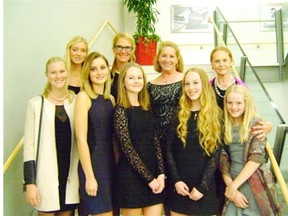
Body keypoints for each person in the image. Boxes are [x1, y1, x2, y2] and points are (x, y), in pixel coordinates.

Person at [23, 57, 79, 216]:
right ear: (47, 75)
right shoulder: (36, 104)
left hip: (70, 176)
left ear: (67, 73)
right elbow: (29, 147)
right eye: (53, 72)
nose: (58, 76)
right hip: (45, 177)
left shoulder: (76, 101)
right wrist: (30, 183)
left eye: (61, 71)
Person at [165, 67, 222, 216]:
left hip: (205, 187)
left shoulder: (215, 115)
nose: (191, 88)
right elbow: (169, 150)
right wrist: (176, 181)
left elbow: (215, 156)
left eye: (195, 83)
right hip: (179, 187)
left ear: (204, 84)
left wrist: (203, 187)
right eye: (187, 84)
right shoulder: (177, 114)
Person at [220, 85, 282, 215]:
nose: (233, 107)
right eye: (230, 103)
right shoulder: (223, 124)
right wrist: (231, 187)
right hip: (231, 178)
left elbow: (256, 159)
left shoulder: (256, 123)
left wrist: (233, 186)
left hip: (253, 180)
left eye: (238, 103)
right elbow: (221, 159)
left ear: (246, 103)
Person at [113, 62, 165, 216]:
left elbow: (155, 141)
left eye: (139, 77)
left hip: (153, 173)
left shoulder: (147, 107)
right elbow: (127, 148)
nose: (136, 81)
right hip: (131, 177)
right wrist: (149, 179)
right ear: (123, 81)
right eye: (131, 78)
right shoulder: (120, 110)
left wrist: (161, 174)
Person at [74, 52, 116, 216]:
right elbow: (81, 140)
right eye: (93, 69)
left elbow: (113, 139)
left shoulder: (111, 99)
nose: (99, 72)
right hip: (93, 166)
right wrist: (90, 176)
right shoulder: (83, 98)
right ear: (87, 73)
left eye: (102, 67)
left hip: (110, 165)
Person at [147, 41, 184, 150]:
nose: (167, 60)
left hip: (180, 136)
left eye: (171, 56)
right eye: (164, 56)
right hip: (157, 139)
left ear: (177, 60)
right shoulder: (150, 85)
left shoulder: (186, 80)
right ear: (158, 58)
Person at [110, 32, 136, 101]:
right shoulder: (106, 75)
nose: (123, 51)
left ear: (133, 50)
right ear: (113, 49)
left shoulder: (137, 75)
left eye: (127, 48)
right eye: (119, 47)